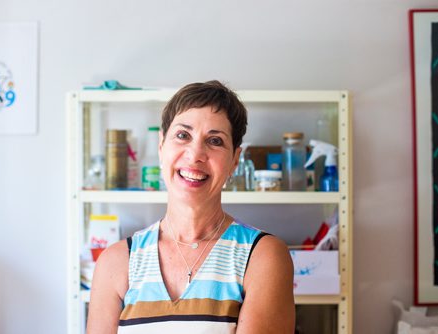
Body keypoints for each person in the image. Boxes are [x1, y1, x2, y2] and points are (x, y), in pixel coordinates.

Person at [87, 80, 295, 333]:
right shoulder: (116, 262)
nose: (195, 154)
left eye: (215, 141)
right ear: (162, 146)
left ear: (234, 161)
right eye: (183, 135)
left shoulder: (262, 257)